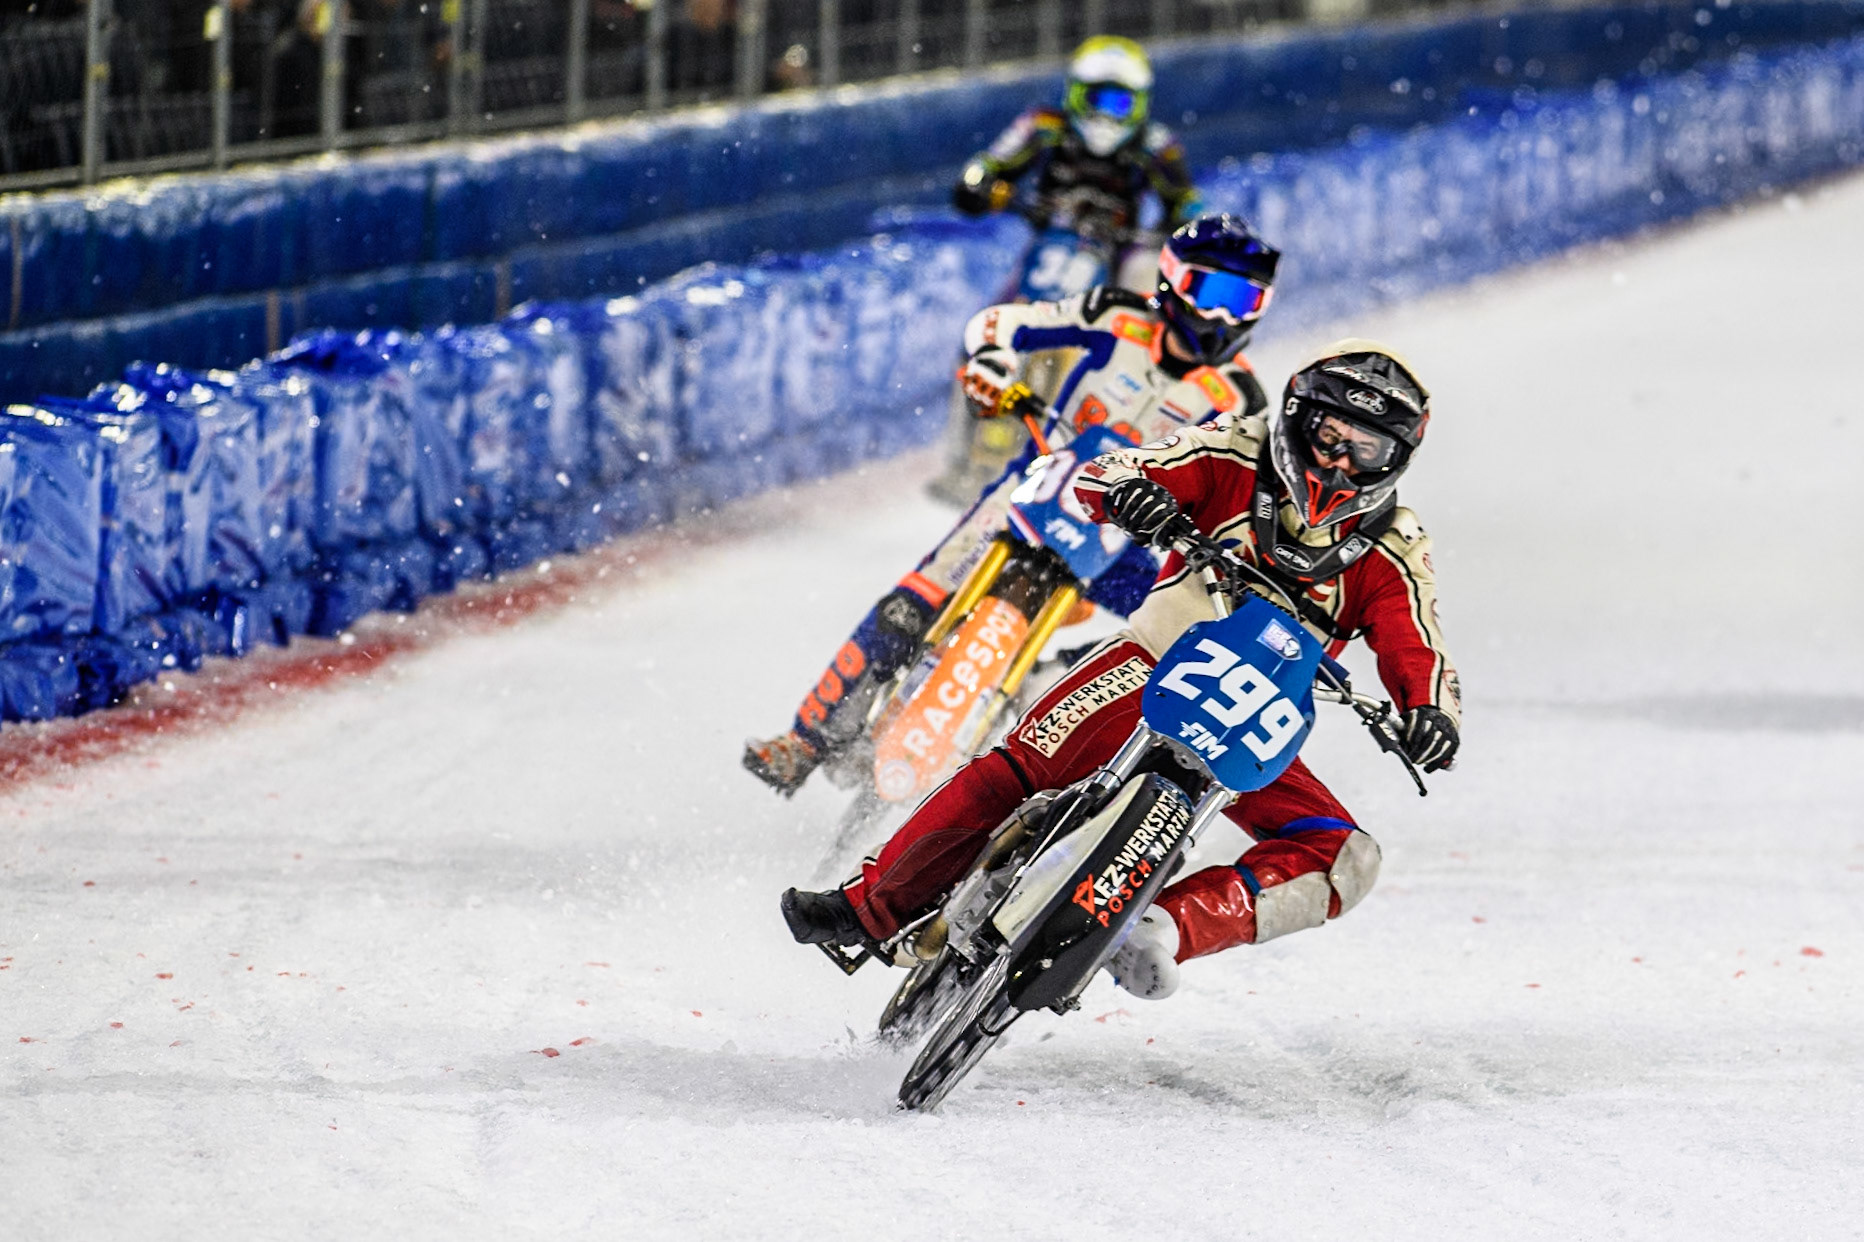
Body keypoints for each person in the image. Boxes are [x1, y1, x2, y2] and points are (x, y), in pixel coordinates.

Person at [780, 341, 1462, 1001]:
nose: (1338, 460)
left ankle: (1157, 929)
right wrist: (1133, 496)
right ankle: (867, 908)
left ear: (1393, 460)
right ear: (1294, 417)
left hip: (1253, 721)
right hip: (1149, 660)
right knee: (1018, 768)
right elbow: (1112, 471)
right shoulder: (1233, 448)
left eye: (1364, 448)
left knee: (1347, 856)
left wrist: (1431, 712)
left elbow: (1419, 644)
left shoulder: (1394, 546)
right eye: (1329, 433)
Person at [743, 216, 1280, 796]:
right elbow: (1003, 321)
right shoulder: (1114, 315)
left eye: (1246, 300)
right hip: (1035, 485)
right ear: (1173, 278)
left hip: (1123, 539)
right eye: (1214, 293)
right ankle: (806, 740)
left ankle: (1067, 706)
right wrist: (992, 360)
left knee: (1173, 644)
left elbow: (1240, 487)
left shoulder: (1240, 399)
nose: (1225, 316)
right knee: (912, 603)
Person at [952, 35, 1203, 292]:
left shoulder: (1157, 145)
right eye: (1095, 100)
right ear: (1074, 94)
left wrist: (1171, 233)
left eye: (1120, 104)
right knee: (996, 317)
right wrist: (982, 188)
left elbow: (1189, 205)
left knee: (1147, 285)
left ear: (1139, 105)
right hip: (1047, 243)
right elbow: (983, 168)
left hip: (1120, 254)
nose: (1105, 116)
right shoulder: (1042, 125)